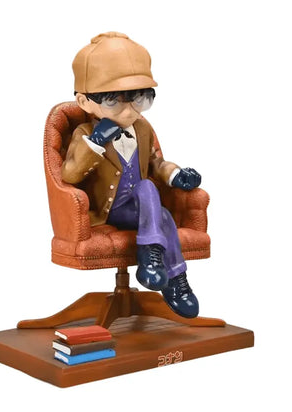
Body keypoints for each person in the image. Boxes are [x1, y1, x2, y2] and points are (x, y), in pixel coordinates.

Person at [62, 32, 202, 318]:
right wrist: (95, 143)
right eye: (113, 100)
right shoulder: (85, 133)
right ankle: (164, 267)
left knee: (161, 211)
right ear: (84, 101)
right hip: (109, 210)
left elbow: (156, 163)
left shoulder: (143, 129)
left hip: (140, 209)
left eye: (139, 98)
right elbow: (70, 175)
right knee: (148, 190)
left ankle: (172, 278)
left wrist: (176, 175)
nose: (130, 111)